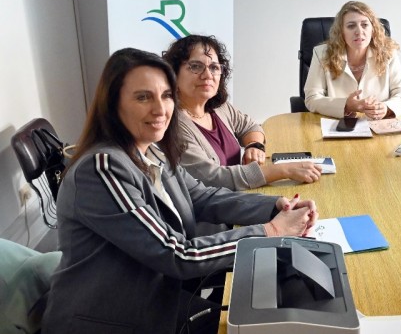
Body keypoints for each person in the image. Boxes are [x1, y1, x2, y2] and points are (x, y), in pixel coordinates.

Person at [41, 48, 318, 334]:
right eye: (143, 97)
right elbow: (176, 254)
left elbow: (202, 197)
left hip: (157, 298)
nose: (160, 109)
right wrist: (271, 231)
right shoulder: (102, 169)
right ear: (112, 105)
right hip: (109, 319)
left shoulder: (151, 151)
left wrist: (274, 206)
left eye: (166, 95)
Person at [163, 35, 322, 190]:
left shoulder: (219, 107)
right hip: (217, 205)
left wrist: (255, 146)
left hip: (242, 195)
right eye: (196, 66)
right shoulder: (172, 126)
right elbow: (215, 178)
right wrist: (283, 170)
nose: (208, 75)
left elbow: (250, 126)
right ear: (174, 73)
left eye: (214, 67)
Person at [304, 0, 401, 119]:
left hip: (378, 125)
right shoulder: (322, 54)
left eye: (365, 25)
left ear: (373, 29)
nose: (359, 31)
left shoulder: (388, 53)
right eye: (351, 26)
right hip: (337, 125)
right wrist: (346, 105)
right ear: (341, 32)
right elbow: (312, 99)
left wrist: (386, 108)